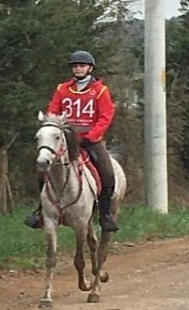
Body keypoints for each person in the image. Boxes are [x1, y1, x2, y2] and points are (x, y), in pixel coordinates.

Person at [24, 50, 119, 233]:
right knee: (42, 170)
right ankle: (41, 209)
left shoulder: (100, 91)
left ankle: (105, 214)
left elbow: (106, 117)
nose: (78, 69)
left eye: (81, 66)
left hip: (90, 140)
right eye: (75, 66)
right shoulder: (63, 89)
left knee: (107, 174)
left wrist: (91, 136)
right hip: (64, 140)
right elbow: (53, 111)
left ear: (90, 68)